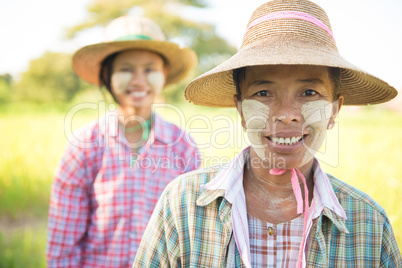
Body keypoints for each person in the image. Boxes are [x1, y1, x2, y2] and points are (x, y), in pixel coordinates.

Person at [133, 1, 402, 267]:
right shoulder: (183, 204)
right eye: (263, 93)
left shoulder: (368, 223)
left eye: (309, 93)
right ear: (240, 109)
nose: (286, 114)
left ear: (334, 109)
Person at [46, 16, 201, 267]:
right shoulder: (85, 145)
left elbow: (192, 233)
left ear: (163, 75)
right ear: (107, 76)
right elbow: (64, 240)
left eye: (149, 69)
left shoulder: (183, 146)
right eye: (126, 69)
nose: (138, 79)